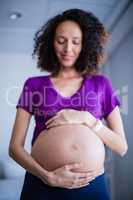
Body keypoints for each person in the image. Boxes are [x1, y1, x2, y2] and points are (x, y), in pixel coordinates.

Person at [8, 8, 128, 200]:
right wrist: (48, 177)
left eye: (75, 42)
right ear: (50, 43)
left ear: (85, 45)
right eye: (61, 41)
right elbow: (14, 147)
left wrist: (87, 119)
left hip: (91, 186)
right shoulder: (33, 85)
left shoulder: (101, 84)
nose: (68, 49)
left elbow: (121, 147)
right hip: (42, 184)